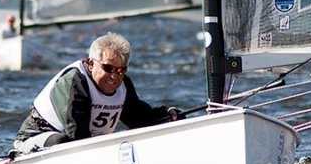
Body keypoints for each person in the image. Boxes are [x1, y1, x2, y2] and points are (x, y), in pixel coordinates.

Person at [13, 32, 183, 152]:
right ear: (91, 64)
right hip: (35, 139)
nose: (114, 76)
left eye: (120, 70)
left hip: (81, 144)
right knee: (62, 141)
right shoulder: (75, 83)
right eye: (108, 68)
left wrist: (168, 115)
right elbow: (77, 135)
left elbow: (138, 118)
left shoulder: (123, 85)